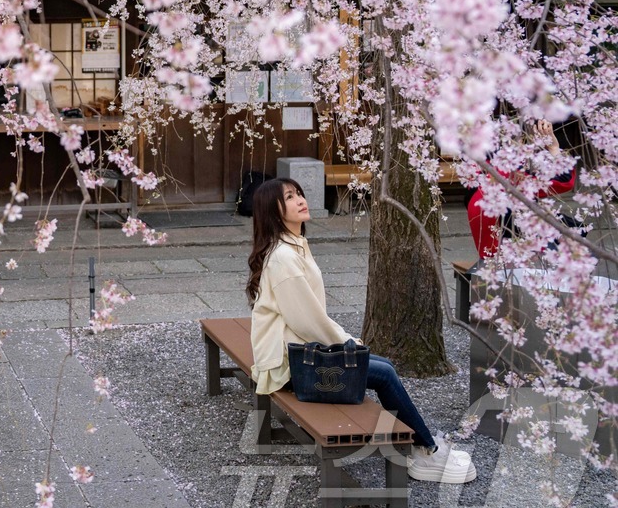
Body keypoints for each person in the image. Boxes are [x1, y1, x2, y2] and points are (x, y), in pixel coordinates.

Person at [247, 178, 475, 484]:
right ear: (272, 211)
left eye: (299, 193)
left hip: (297, 353)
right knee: (384, 374)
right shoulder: (284, 258)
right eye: (289, 197)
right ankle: (426, 451)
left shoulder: (294, 246)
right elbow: (307, 321)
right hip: (288, 366)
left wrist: (346, 340)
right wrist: (347, 343)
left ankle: (419, 447)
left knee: (385, 366)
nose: (300, 199)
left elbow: (310, 317)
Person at [468, 119, 576, 260]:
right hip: (516, 250)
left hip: (494, 250)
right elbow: (565, 181)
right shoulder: (513, 174)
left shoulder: (481, 172)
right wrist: (554, 148)